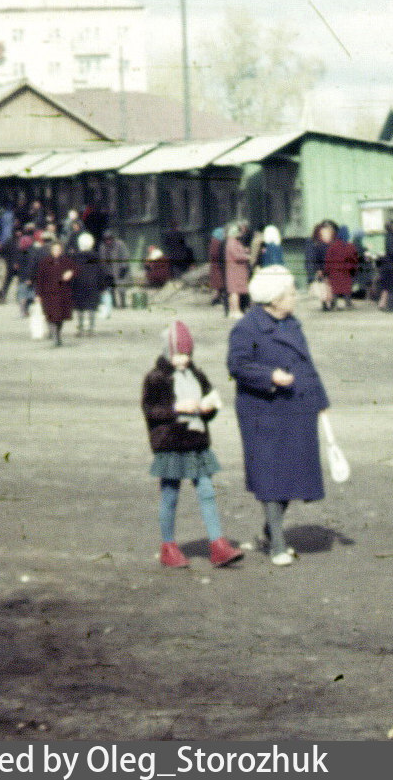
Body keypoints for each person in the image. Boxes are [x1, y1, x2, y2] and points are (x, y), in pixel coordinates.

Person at [226, 267, 333, 567]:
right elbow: (237, 365)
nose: (295, 297)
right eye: (289, 293)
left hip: (297, 408)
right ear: (273, 299)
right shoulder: (247, 328)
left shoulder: (292, 324)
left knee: (292, 474)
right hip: (264, 412)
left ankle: (268, 533)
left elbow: (307, 364)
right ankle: (277, 544)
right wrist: (270, 375)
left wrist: (320, 400)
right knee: (272, 478)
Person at [143, 321, 244, 569]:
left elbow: (208, 402)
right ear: (167, 352)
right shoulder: (157, 378)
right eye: (177, 354)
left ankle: (218, 545)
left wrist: (208, 409)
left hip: (196, 441)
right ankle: (168, 546)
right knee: (170, 495)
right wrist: (176, 408)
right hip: (171, 443)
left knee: (207, 491)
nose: (182, 360)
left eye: (186, 354)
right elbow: (150, 409)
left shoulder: (197, 375)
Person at [221, 225, 253, 318]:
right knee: (235, 292)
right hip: (236, 270)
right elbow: (236, 255)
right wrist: (247, 256)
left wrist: (244, 251)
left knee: (233, 292)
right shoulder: (232, 243)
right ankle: (236, 311)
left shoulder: (232, 242)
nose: (240, 234)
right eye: (238, 232)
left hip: (234, 270)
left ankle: (232, 311)